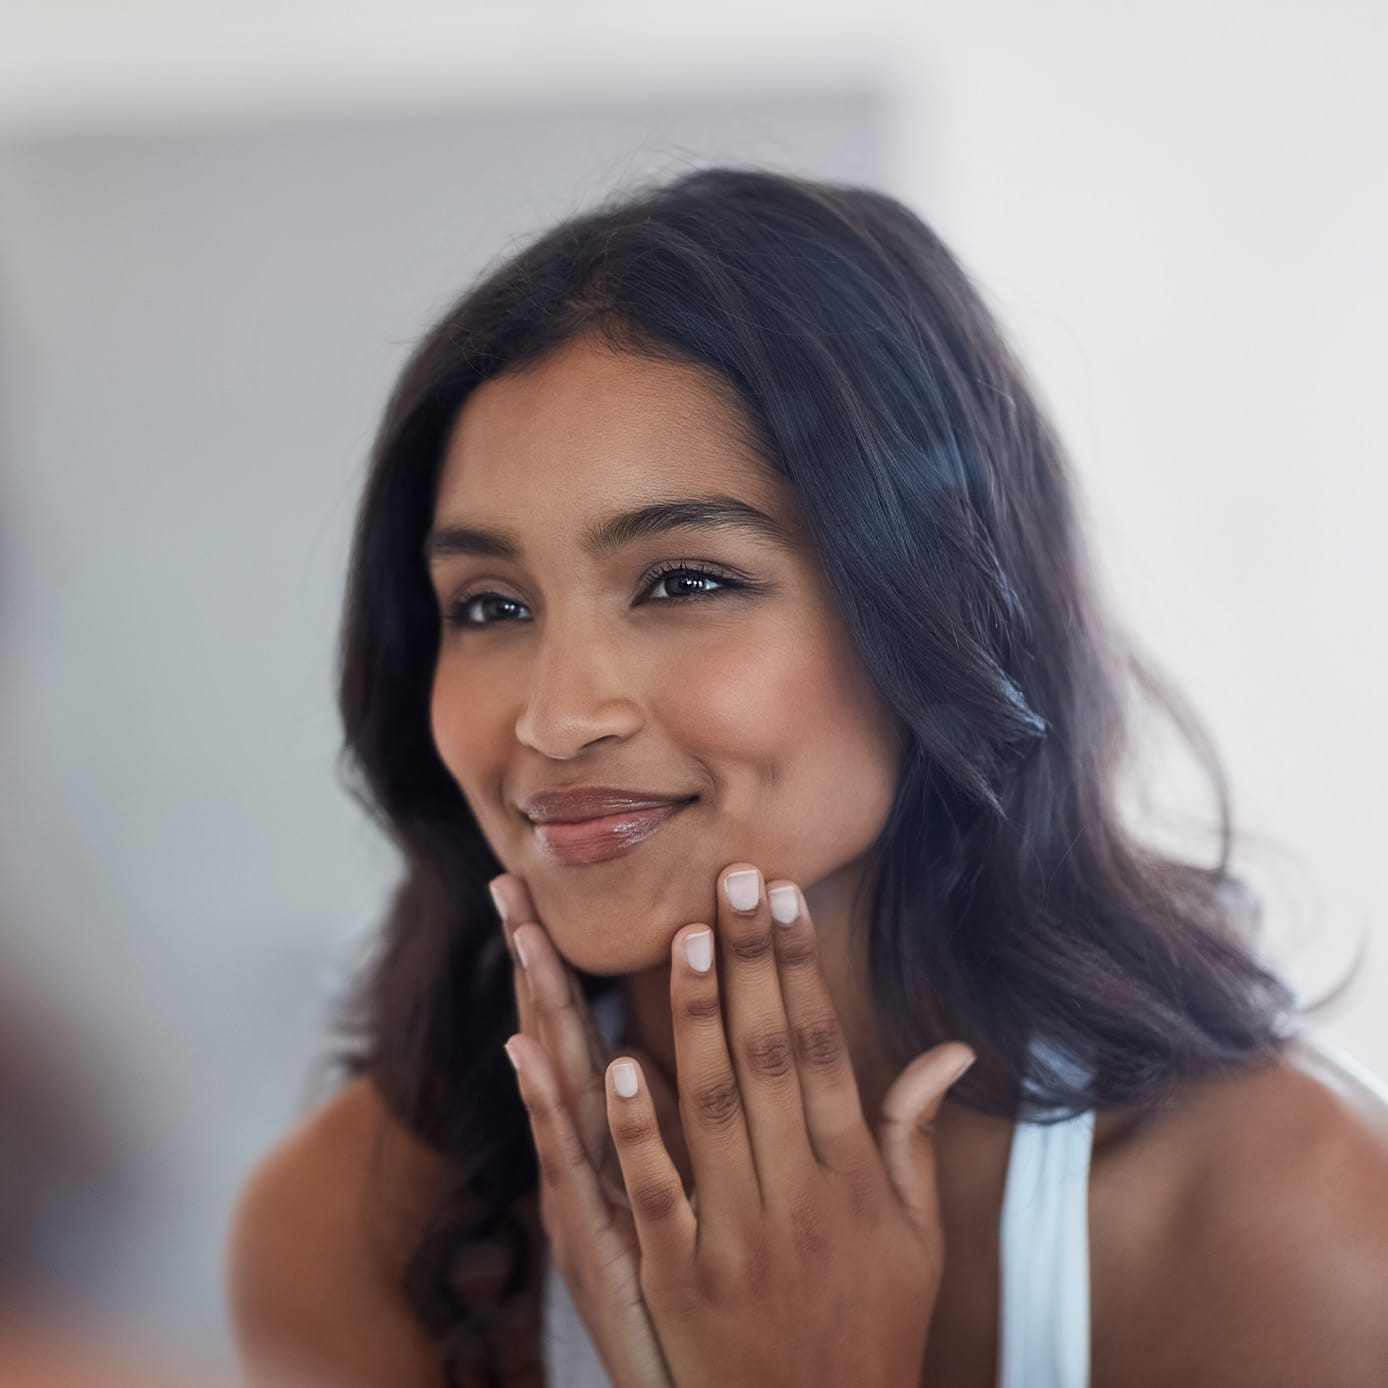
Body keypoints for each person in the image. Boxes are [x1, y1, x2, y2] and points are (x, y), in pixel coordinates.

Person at [225, 166, 1388, 1388]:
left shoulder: (1291, 1228)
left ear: (934, 608)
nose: (557, 715)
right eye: (491, 604)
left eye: (682, 581)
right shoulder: (348, 1228)